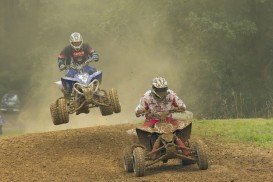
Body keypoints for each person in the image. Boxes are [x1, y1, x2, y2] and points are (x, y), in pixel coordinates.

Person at [135, 77, 189, 157]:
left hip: (168, 120)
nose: (161, 91)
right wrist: (145, 112)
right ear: (154, 88)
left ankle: (185, 149)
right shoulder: (146, 97)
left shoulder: (171, 94)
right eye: (159, 89)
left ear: (166, 88)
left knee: (183, 128)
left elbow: (183, 106)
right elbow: (137, 111)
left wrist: (172, 110)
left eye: (163, 89)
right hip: (152, 120)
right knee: (140, 133)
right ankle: (147, 152)